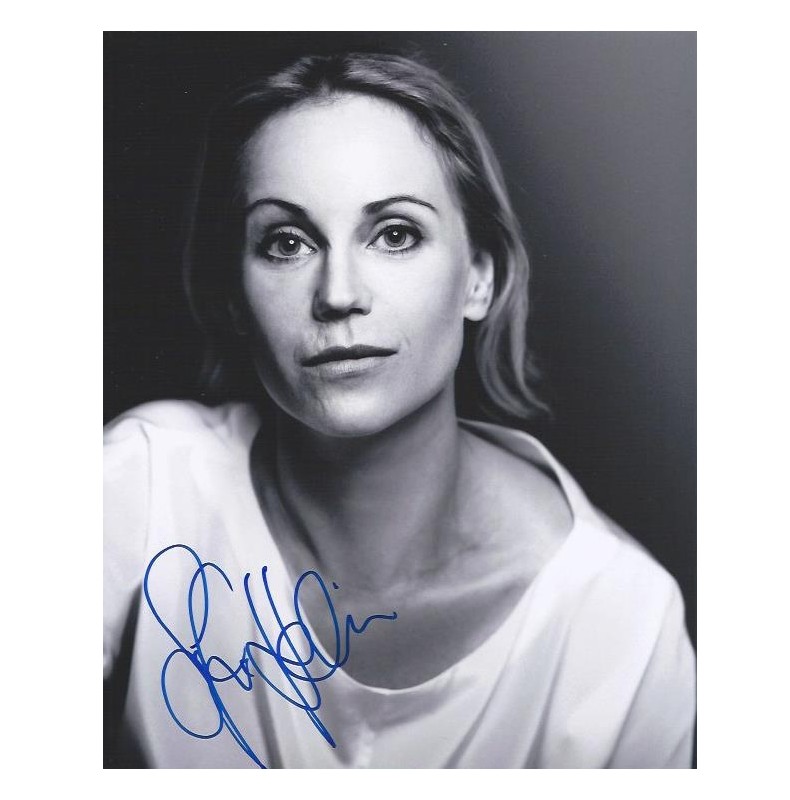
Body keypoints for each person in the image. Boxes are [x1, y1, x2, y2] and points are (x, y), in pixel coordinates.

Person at [104, 52, 696, 769]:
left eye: (394, 235)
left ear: (479, 279)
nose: (338, 294)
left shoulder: (621, 620)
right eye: (287, 243)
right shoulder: (145, 483)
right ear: (235, 295)